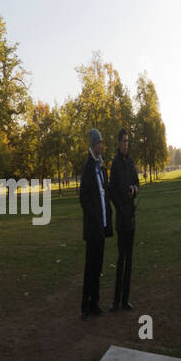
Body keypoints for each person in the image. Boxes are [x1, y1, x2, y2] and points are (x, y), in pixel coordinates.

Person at [79, 128, 112, 320]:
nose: (101, 145)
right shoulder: (88, 167)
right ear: (93, 144)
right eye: (99, 142)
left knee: (98, 267)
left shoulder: (101, 167)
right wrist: (95, 220)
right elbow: (83, 198)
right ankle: (85, 306)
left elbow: (104, 193)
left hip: (102, 227)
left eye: (101, 142)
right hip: (93, 229)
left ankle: (95, 302)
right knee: (90, 267)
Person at [108, 127, 139, 311]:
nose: (126, 144)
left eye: (128, 141)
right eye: (124, 141)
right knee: (121, 260)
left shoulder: (132, 163)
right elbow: (111, 191)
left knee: (130, 260)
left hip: (132, 218)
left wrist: (134, 190)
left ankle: (126, 299)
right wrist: (120, 207)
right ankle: (115, 300)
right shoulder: (115, 164)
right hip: (121, 219)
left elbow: (138, 185)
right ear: (119, 142)